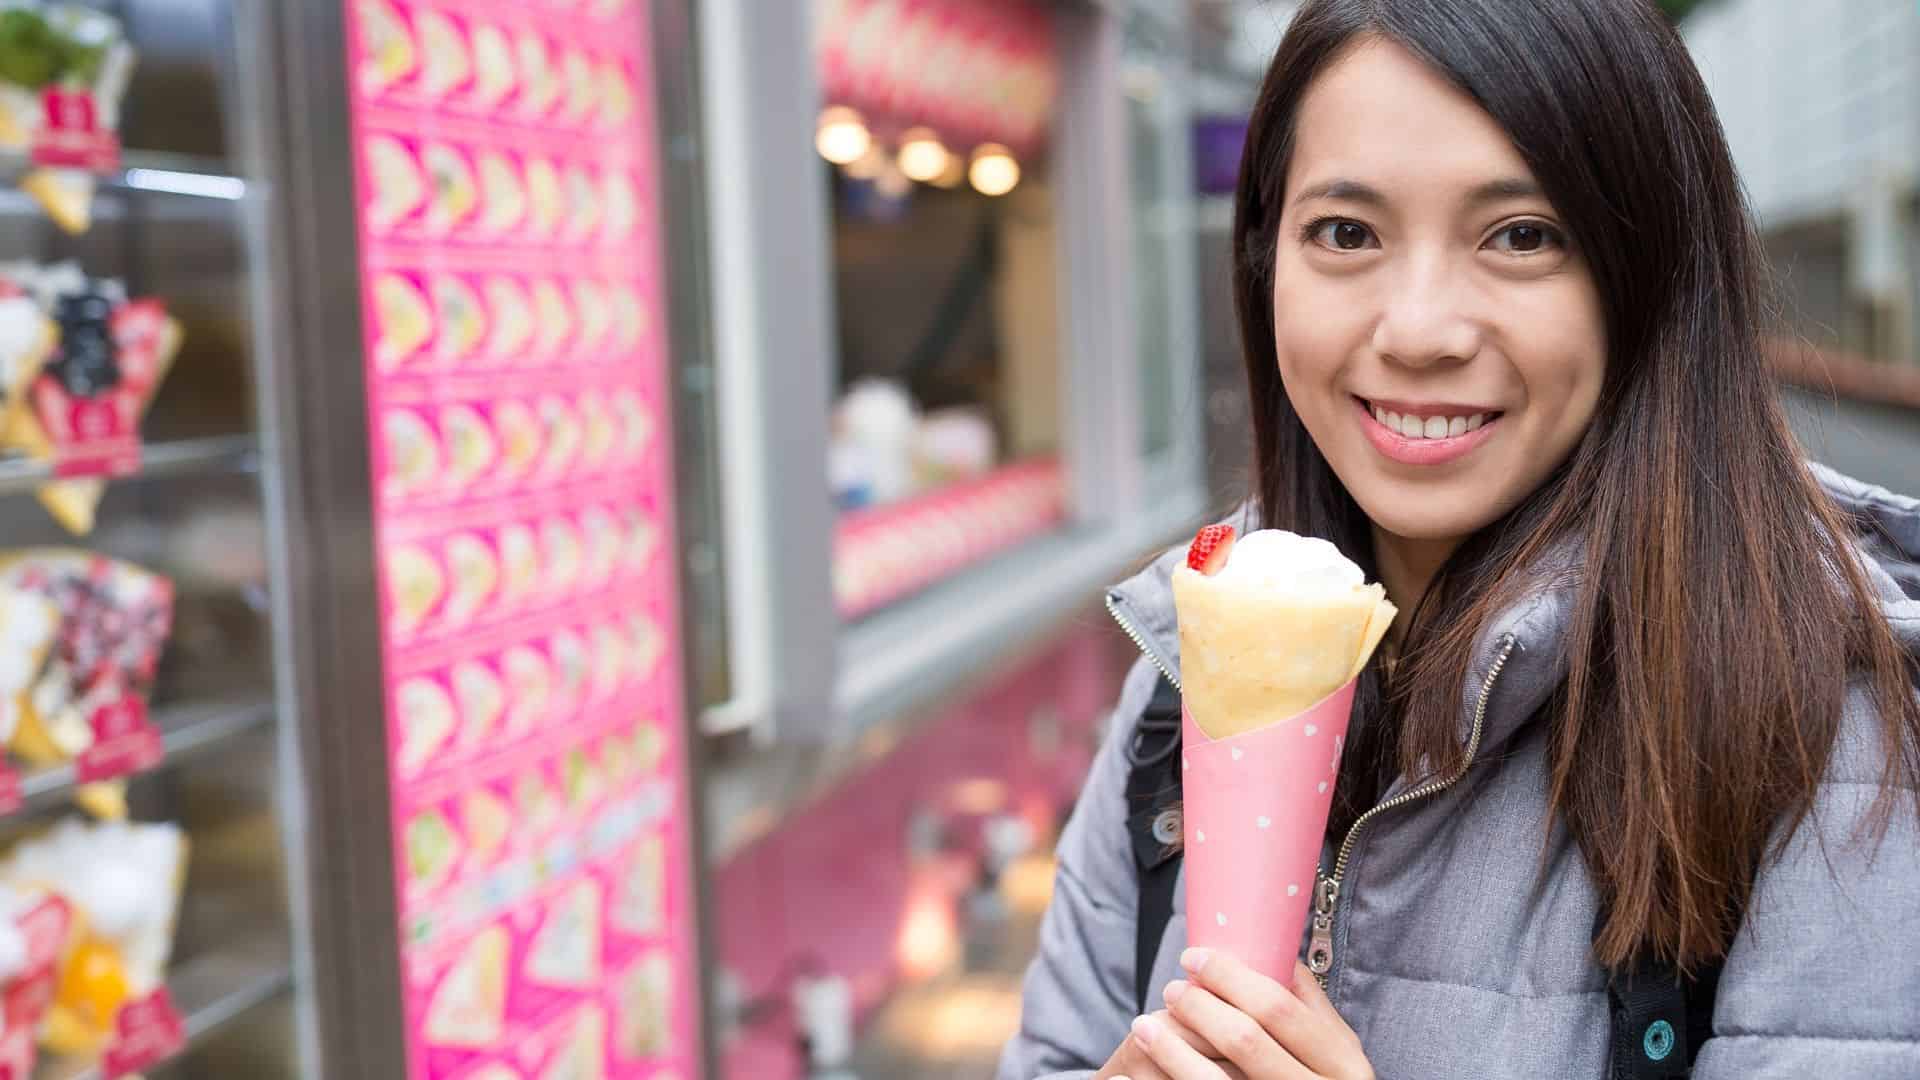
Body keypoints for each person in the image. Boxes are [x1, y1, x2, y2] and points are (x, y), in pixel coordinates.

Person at [998, 1, 1920, 1078]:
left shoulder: (1838, 730)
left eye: (1520, 236)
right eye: (1347, 233)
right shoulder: (1183, 680)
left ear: (1652, 273)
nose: (1420, 330)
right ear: (1264, 263)